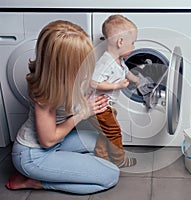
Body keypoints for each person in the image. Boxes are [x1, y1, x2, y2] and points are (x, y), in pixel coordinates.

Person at [5, 20, 120, 195]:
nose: (86, 63)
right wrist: (83, 113)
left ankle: (62, 168)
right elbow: (48, 140)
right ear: (64, 67)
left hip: (58, 144)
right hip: (33, 155)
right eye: (81, 61)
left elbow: (88, 82)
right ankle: (36, 182)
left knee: (101, 143)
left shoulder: (69, 78)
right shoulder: (45, 93)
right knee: (111, 175)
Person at [90, 14, 140, 168]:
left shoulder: (119, 60)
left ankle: (102, 158)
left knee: (105, 133)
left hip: (106, 107)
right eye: (132, 43)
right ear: (120, 42)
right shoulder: (106, 62)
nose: (134, 47)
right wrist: (116, 86)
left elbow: (126, 72)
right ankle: (119, 161)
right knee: (114, 133)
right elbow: (94, 82)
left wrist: (137, 80)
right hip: (99, 108)